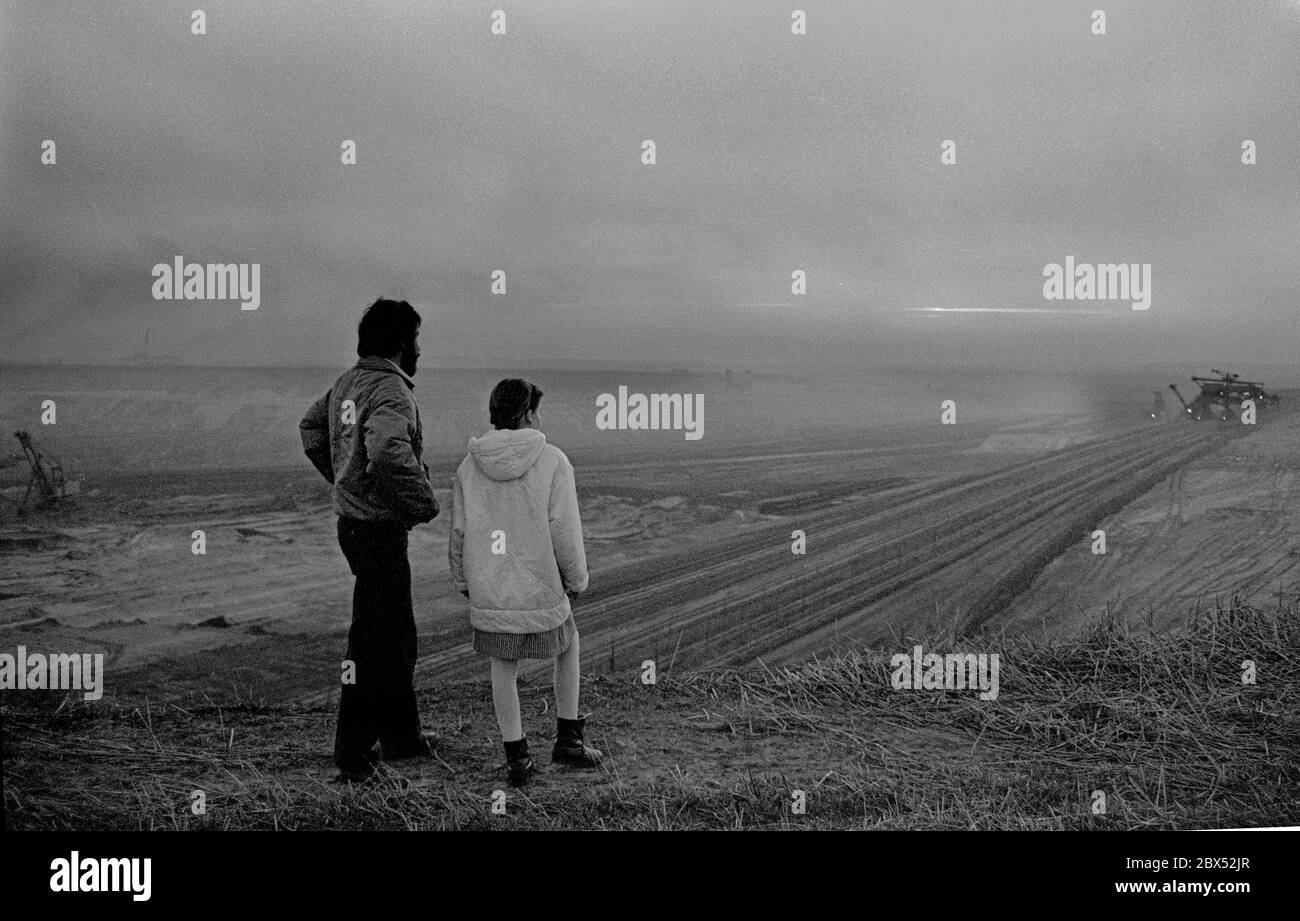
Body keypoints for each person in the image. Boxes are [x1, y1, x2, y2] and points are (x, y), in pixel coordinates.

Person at [299, 298, 440, 783]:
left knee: (394, 631)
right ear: (402, 342)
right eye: (417, 337)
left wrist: (344, 480)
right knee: (373, 639)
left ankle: (401, 736)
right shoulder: (390, 390)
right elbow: (386, 449)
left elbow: (312, 429)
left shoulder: (348, 383)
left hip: (354, 525)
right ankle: (353, 751)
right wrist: (421, 503)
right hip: (377, 529)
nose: (420, 348)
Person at [449, 378, 602, 786]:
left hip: (491, 585)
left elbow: (460, 531)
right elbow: (564, 529)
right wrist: (577, 579)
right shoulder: (552, 460)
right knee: (568, 646)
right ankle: (568, 740)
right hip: (542, 586)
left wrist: (465, 580)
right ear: (530, 413)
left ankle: (517, 758)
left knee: (504, 666)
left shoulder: (469, 465)